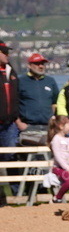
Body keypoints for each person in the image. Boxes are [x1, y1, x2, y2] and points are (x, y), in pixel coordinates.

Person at [18, 52, 58, 144]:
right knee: (28, 156)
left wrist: (53, 120)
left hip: (47, 126)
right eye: (37, 64)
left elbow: (54, 102)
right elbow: (13, 103)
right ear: (29, 65)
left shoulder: (50, 81)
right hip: (28, 126)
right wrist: (19, 123)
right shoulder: (21, 81)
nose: (41, 66)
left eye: (42, 64)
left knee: (48, 155)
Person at [0, 41, 20, 207]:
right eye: (4, 52)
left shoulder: (11, 71)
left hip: (10, 124)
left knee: (11, 158)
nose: (7, 55)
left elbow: (16, 96)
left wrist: (17, 117)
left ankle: (17, 195)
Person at [47, 115, 69, 203]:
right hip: (58, 168)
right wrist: (68, 169)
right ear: (61, 126)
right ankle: (57, 197)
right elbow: (58, 157)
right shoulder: (56, 139)